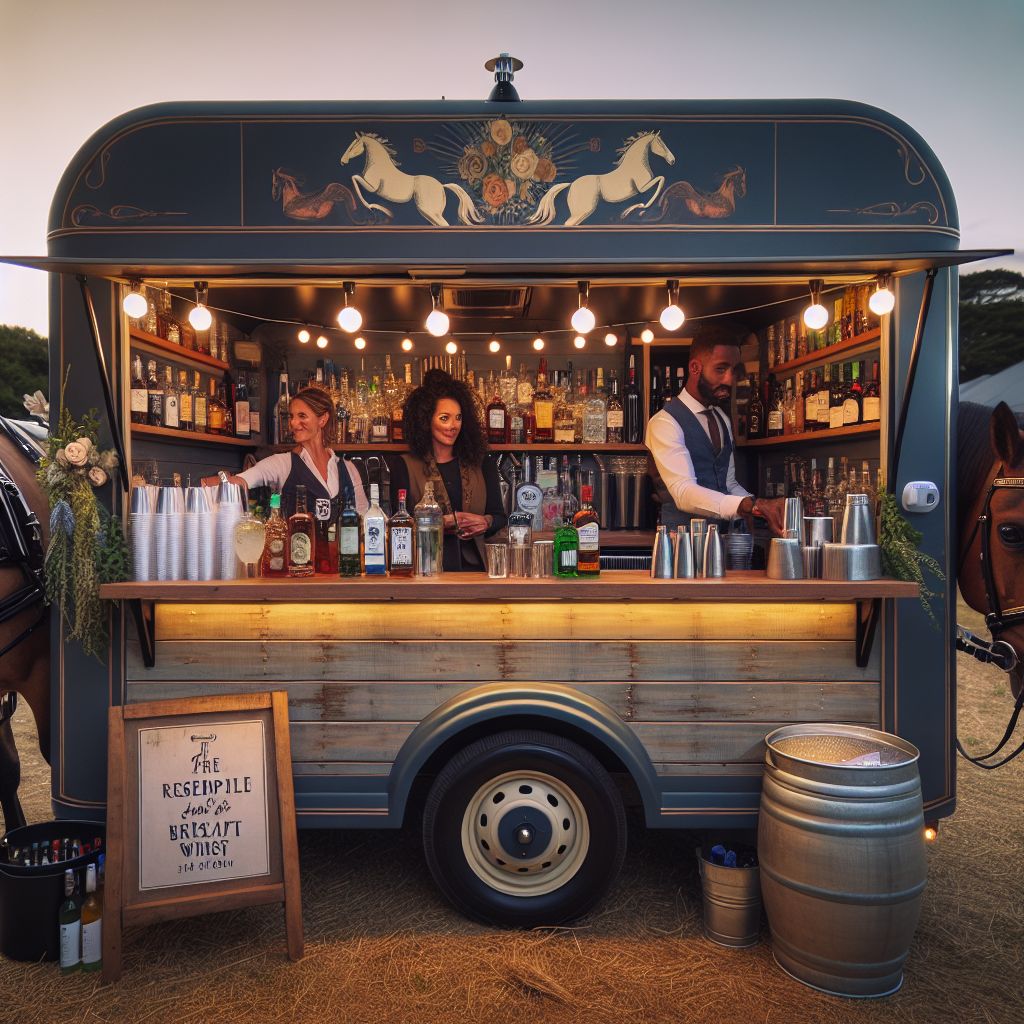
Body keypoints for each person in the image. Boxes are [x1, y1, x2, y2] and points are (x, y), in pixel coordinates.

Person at [645, 327, 785, 536]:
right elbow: (684, 492)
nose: (730, 380)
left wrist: (758, 505)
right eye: (721, 369)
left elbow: (727, 484)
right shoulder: (664, 422)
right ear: (695, 368)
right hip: (681, 545)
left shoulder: (721, 419)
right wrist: (745, 505)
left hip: (721, 542)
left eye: (734, 370)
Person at [391, 369, 508, 571]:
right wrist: (436, 523)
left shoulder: (481, 462)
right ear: (426, 421)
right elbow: (399, 525)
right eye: (444, 418)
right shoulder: (404, 465)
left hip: (477, 570)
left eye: (458, 418)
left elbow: (499, 516)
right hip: (425, 569)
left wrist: (485, 522)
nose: (453, 425)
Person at [204, 386, 368, 520]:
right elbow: (244, 480)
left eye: (302, 416)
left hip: (346, 559)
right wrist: (204, 486)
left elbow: (364, 518)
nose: (293, 423)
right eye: (292, 416)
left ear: (322, 419)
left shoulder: (348, 468)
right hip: (299, 559)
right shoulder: (283, 464)